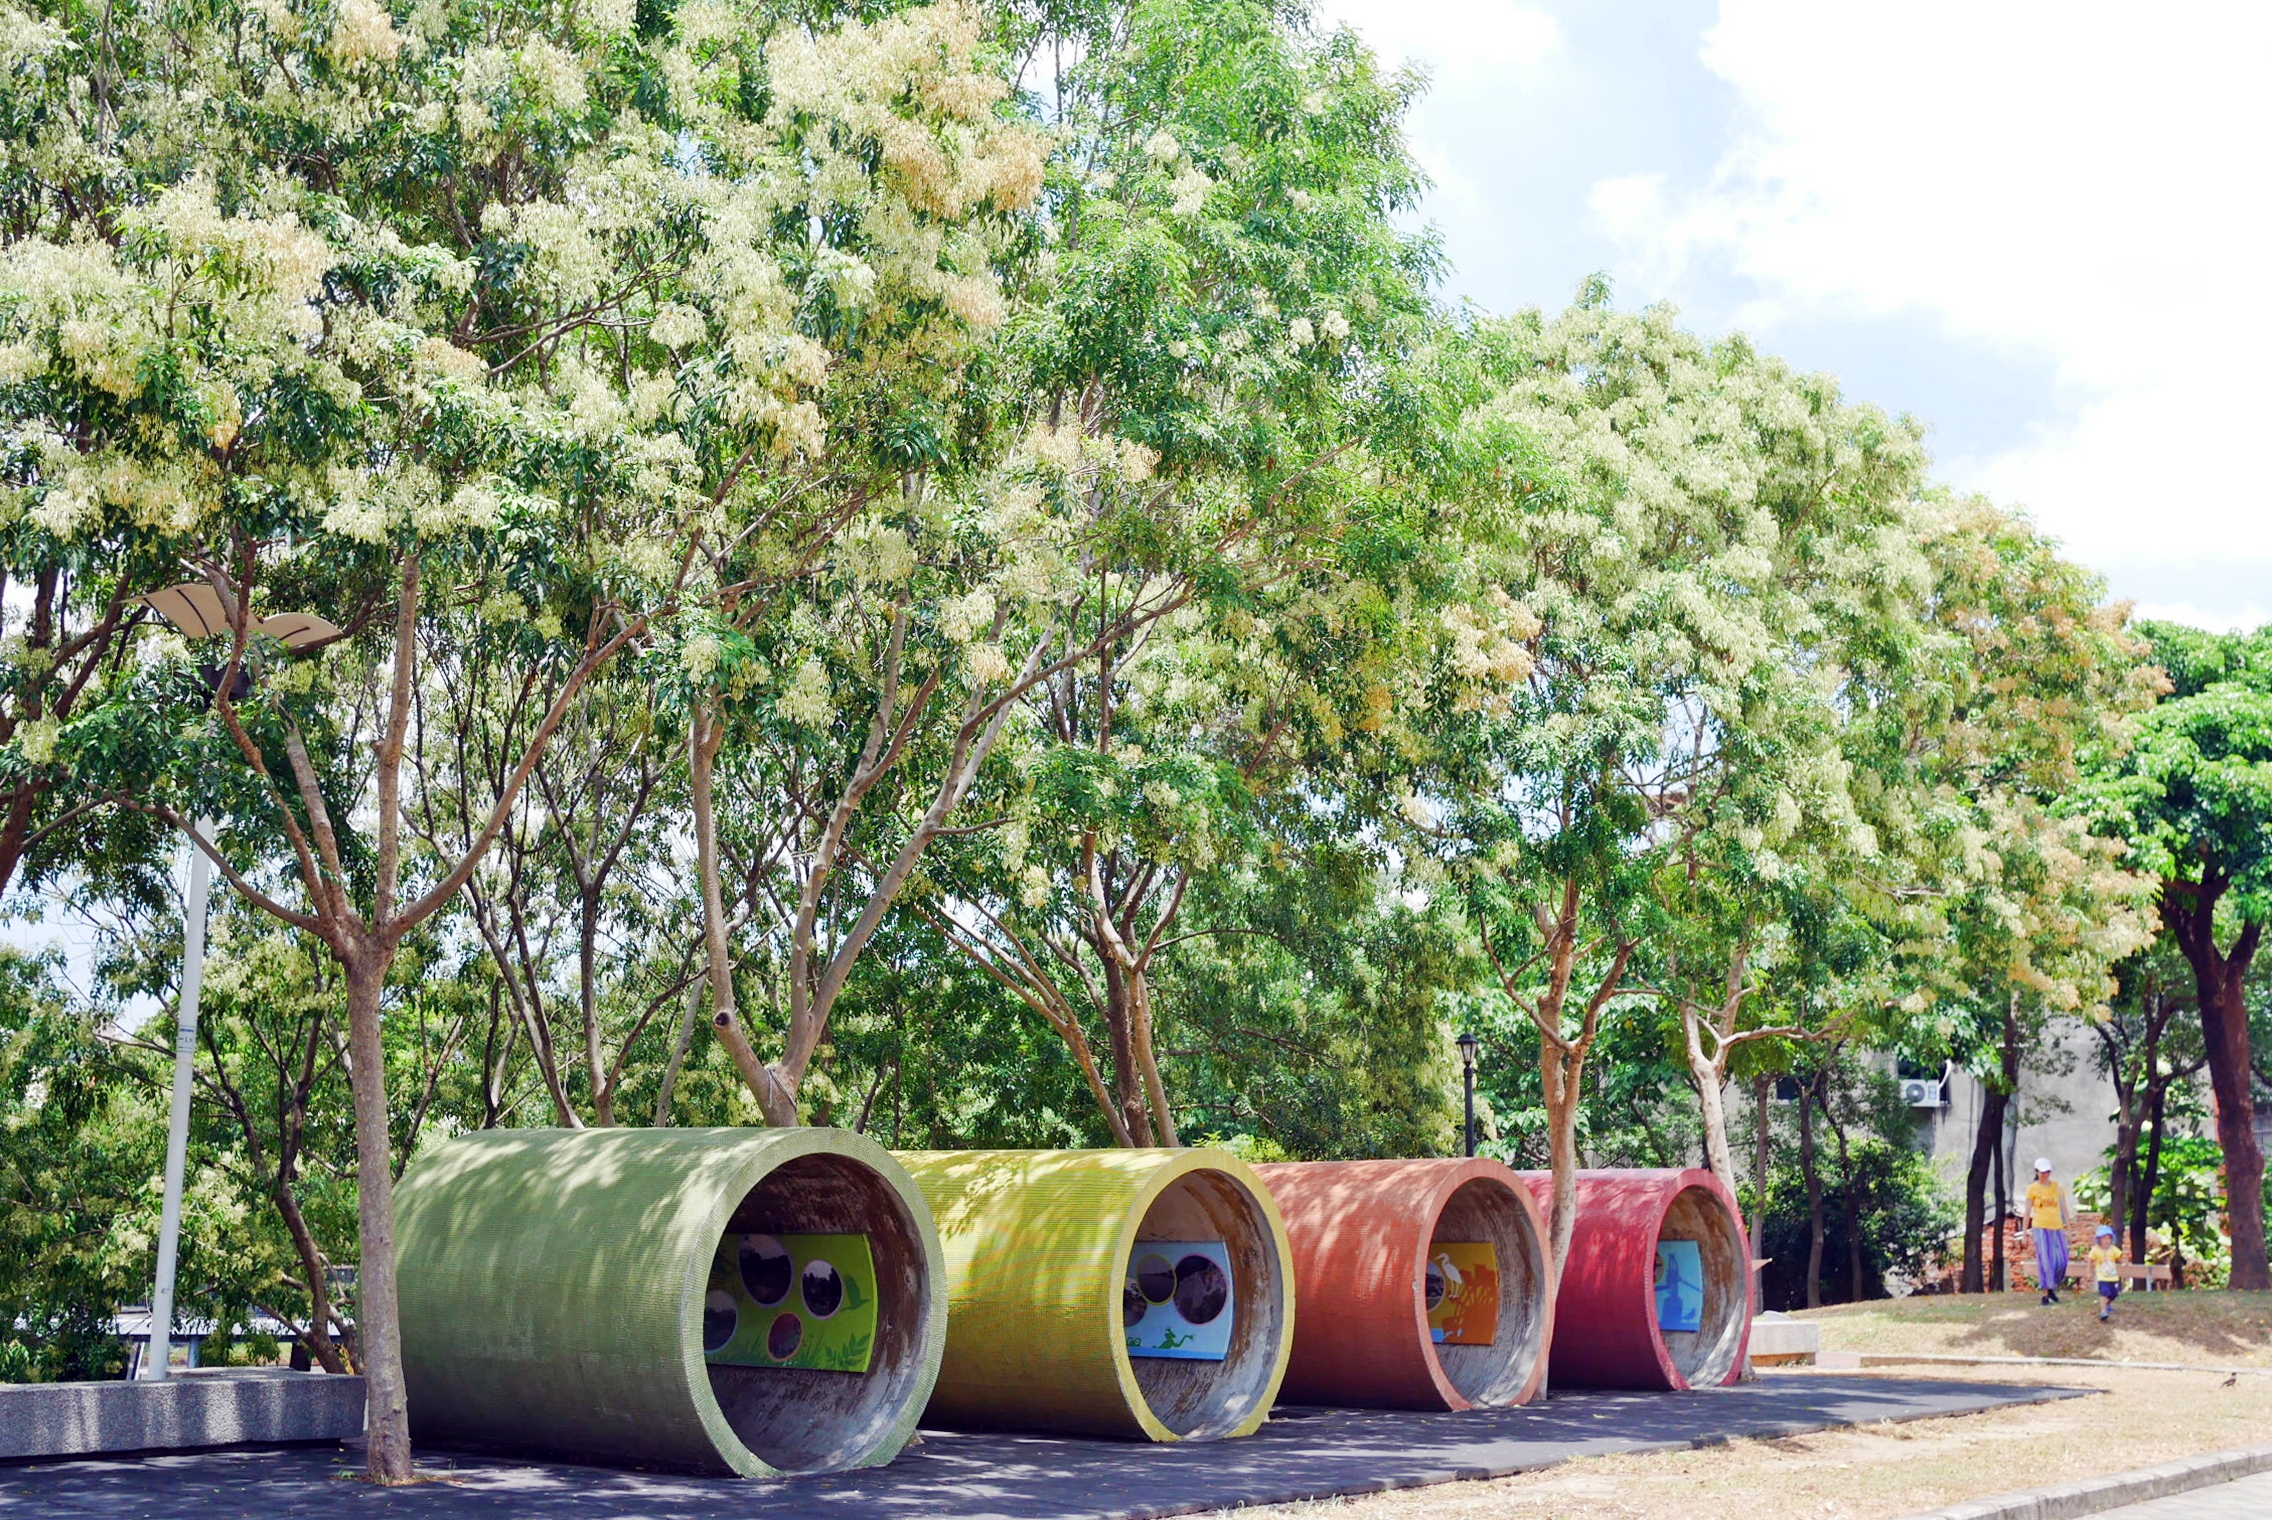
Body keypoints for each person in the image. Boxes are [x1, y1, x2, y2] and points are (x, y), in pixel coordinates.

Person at [2026, 1157, 2070, 1304]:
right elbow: (2027, 1212)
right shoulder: (2032, 1189)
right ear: (2037, 1172)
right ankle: (2045, 1294)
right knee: (2045, 1261)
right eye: (2042, 1172)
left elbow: (2064, 1209)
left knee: (2062, 1261)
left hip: (2057, 1227)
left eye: (2047, 1172)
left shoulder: (2057, 1188)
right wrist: (2025, 1232)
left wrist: (2068, 1228)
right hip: (2040, 1228)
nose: (2045, 1175)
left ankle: (2052, 1286)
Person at [2089, 1225, 2123, 1321]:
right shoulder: (2096, 1250)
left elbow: (2120, 1256)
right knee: (2104, 1293)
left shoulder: (2113, 1249)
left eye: (2108, 1238)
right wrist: (2089, 1272)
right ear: (2099, 1240)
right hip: (2102, 1277)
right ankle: (2103, 1311)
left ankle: (2107, 1305)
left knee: (2114, 1294)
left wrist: (2126, 1262)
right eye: (2104, 1238)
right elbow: (2090, 1260)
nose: (2106, 1241)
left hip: (2113, 1276)